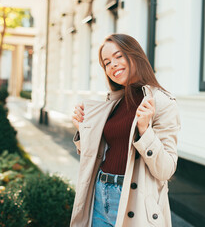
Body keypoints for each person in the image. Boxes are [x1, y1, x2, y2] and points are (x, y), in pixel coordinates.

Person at [70, 33, 180, 227]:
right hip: (100, 193)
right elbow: (101, 153)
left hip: (133, 201)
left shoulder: (162, 102)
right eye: (106, 62)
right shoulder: (114, 102)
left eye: (119, 56)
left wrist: (145, 131)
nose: (112, 64)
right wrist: (83, 130)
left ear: (135, 55)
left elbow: (166, 170)